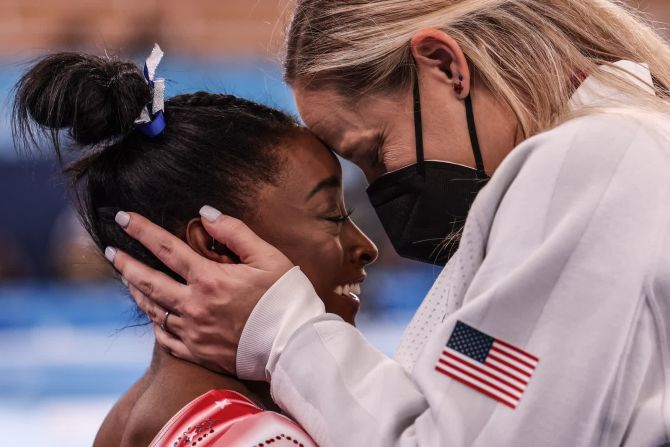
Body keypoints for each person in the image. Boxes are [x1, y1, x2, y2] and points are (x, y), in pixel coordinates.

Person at [104, 1, 670, 445]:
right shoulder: (596, 165)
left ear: (447, 67)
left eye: (375, 150)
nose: (373, 235)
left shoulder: (591, 160)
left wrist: (281, 330)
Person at [13, 46, 378, 446]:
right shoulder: (259, 438)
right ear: (216, 245)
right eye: (332, 217)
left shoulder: (130, 415)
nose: (365, 246)